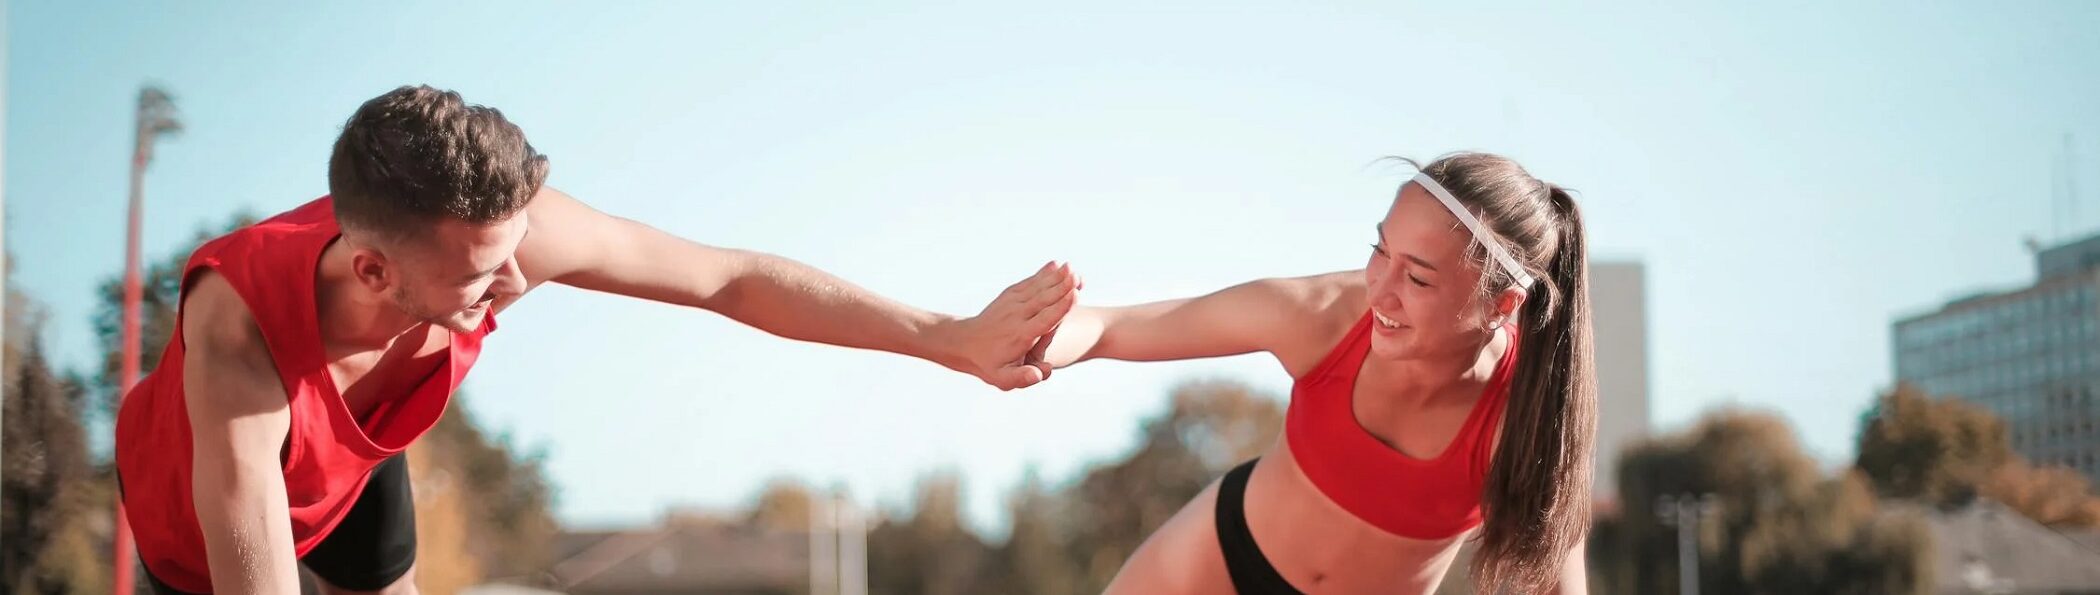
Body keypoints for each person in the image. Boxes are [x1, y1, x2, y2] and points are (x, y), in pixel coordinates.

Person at [112, 85, 1079, 595]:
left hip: (359, 459)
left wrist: (945, 335)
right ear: (373, 272)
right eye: (482, 272)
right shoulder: (239, 338)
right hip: (201, 533)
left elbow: (729, 278)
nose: (516, 279)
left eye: (514, 246)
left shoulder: (502, 234)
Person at [1041, 152, 1596, 594]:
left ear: (1499, 306)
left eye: (1419, 279)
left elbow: (1554, 581)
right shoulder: (1325, 316)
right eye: (1380, 250)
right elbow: (1109, 328)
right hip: (1213, 564)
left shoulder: (1527, 419)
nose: (1380, 288)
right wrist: (1025, 341)